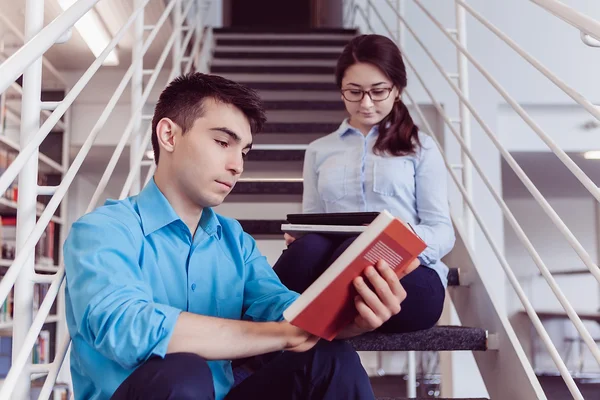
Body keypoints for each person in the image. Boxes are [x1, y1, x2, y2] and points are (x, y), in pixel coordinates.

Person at [63, 72, 410, 400]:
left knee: (330, 357)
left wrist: (350, 319)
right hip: (152, 392)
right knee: (184, 372)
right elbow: (126, 327)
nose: (237, 166)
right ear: (168, 135)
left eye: (243, 151)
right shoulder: (103, 229)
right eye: (222, 142)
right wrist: (279, 335)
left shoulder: (234, 239)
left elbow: (282, 310)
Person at [273, 34, 455, 334]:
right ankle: (302, 321)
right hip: (334, 264)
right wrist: (300, 237)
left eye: (378, 91)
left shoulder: (421, 148)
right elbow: (312, 218)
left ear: (397, 90)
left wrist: (402, 239)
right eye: (354, 92)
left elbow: (442, 231)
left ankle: (310, 320)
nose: (366, 103)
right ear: (341, 91)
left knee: (358, 246)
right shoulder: (319, 150)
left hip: (407, 274)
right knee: (308, 249)